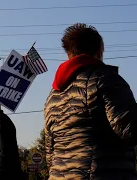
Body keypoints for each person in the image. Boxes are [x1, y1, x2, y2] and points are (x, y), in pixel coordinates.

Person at [44, 23, 137, 179]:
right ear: (99, 50)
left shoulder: (52, 97)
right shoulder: (105, 79)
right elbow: (129, 128)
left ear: (68, 54)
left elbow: (49, 152)